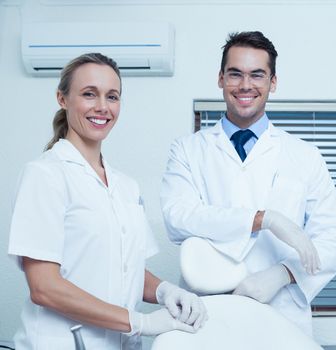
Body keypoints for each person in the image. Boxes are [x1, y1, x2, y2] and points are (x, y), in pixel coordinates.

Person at [8, 53, 207, 350]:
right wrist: (140, 321)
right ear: (62, 98)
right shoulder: (46, 174)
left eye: (112, 96)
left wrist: (166, 291)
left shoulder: (125, 186)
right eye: (89, 94)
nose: (102, 107)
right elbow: (44, 287)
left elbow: (126, 270)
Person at [160, 31, 336, 335]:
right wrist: (262, 219)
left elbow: (333, 237)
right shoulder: (188, 150)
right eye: (235, 74)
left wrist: (283, 273)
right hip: (208, 313)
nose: (245, 85)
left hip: (283, 314)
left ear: (272, 82)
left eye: (257, 75)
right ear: (220, 78)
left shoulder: (304, 155)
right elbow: (178, 218)